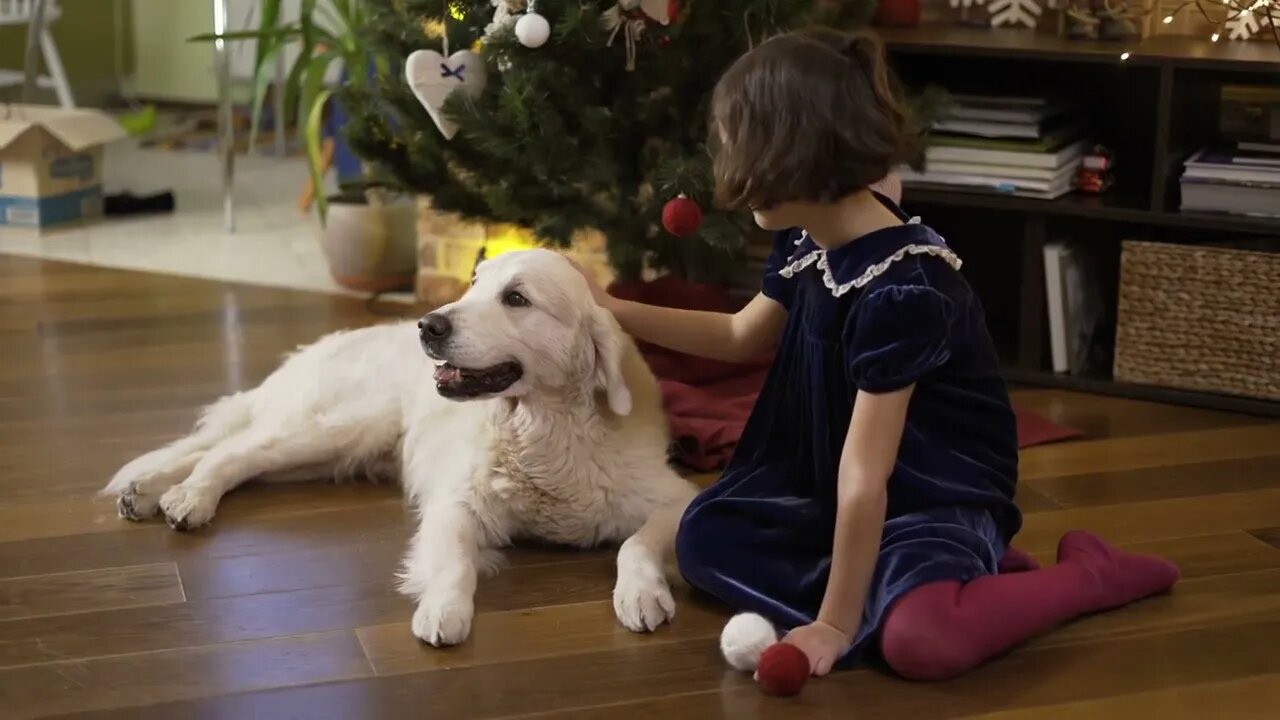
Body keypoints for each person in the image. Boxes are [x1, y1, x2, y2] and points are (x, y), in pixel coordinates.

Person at [582, 27, 1179, 682]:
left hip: (926, 497)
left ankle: (1085, 576)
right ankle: (943, 585)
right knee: (702, 541)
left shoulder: (905, 292)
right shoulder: (811, 235)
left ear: (792, 156)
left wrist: (835, 626)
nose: (722, 162)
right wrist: (610, 309)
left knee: (923, 643)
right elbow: (737, 337)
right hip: (830, 488)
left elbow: (866, 478)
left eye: (734, 142)